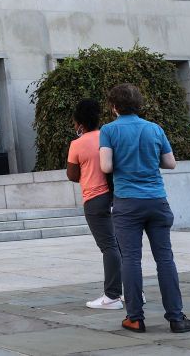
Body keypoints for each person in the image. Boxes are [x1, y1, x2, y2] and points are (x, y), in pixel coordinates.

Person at [99, 83, 190, 333]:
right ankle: (176, 317)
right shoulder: (154, 128)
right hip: (157, 200)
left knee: (131, 259)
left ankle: (135, 318)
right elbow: (170, 163)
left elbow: (106, 167)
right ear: (139, 104)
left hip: (127, 202)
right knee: (165, 259)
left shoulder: (109, 130)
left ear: (114, 106)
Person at [67, 98, 123, 310]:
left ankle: (112, 296)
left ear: (79, 123)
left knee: (109, 247)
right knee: (123, 246)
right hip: (118, 196)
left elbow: (72, 175)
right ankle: (136, 292)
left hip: (94, 199)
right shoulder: (109, 136)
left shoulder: (77, 144)